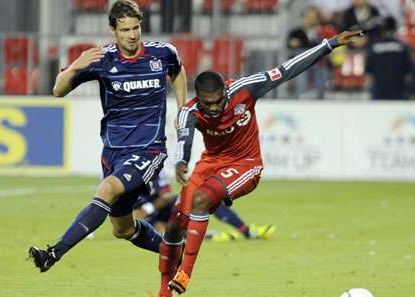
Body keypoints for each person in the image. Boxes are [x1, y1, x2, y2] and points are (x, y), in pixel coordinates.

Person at [154, 30, 363, 297]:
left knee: (201, 201)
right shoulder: (190, 111)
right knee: (174, 225)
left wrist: (329, 44)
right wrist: (181, 162)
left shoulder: (245, 88)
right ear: (199, 99)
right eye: (209, 104)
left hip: (246, 164)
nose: (215, 108)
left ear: (225, 91)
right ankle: (163, 293)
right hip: (210, 163)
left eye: (219, 101)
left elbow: (286, 70)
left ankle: (185, 273)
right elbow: (184, 139)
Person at [28, 0, 187, 273]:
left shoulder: (162, 54)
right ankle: (173, 252)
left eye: (136, 28)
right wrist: (75, 66)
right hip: (113, 151)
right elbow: (58, 90)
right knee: (122, 229)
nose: (133, 35)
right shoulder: (102, 59)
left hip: (149, 149)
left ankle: (53, 253)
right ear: (113, 30)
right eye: (125, 30)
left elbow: (178, 71)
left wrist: (182, 108)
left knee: (106, 190)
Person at [133, 169, 276, 240]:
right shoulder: (124, 174)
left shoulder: (155, 169)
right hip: (151, 219)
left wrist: (147, 208)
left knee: (207, 199)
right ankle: (203, 236)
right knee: (164, 233)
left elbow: (167, 195)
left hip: (168, 208)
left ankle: (246, 231)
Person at [365, 17, 415, 100]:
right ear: (395, 29)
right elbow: (412, 71)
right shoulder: (403, 48)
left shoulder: (373, 48)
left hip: (378, 95)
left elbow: (368, 73)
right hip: (399, 95)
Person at [286, 6, 328, 99]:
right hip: (299, 64)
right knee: (300, 71)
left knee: (321, 71)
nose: (309, 19)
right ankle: (301, 96)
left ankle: (320, 97)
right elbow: (290, 44)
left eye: (313, 17)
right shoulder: (295, 32)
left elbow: (322, 46)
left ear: (317, 19)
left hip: (317, 63)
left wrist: (302, 43)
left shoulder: (321, 32)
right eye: (307, 16)